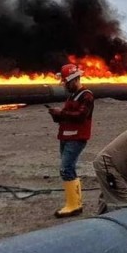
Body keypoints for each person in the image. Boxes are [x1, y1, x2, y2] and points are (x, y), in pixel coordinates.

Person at [47, 63, 94, 218]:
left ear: (74, 80)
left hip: (77, 138)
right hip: (66, 136)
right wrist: (56, 115)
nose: (65, 86)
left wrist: (61, 113)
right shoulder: (72, 96)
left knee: (66, 169)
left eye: (66, 83)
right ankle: (75, 204)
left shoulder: (86, 96)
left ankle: (74, 206)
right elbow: (67, 116)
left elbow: (81, 116)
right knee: (68, 168)